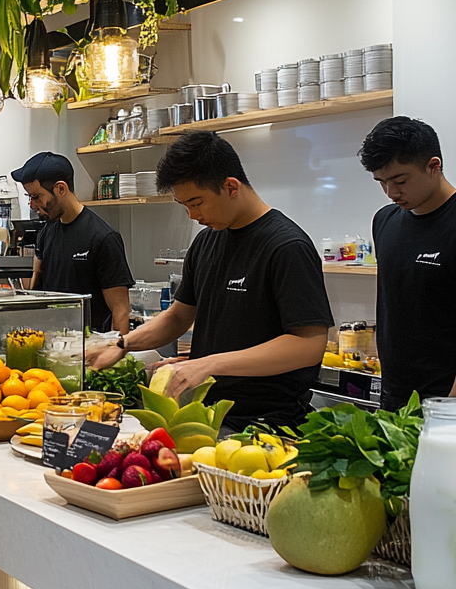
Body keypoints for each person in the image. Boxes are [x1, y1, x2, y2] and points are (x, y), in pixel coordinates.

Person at [91, 132, 334, 431]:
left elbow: (308, 345)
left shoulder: (286, 246)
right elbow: (179, 315)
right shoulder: (206, 242)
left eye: (197, 203)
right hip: (206, 415)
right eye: (185, 206)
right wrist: (122, 344)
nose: (193, 215)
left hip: (265, 424)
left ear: (231, 186)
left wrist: (208, 363)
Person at [358, 116, 456, 410]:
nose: (391, 193)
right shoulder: (384, 220)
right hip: (394, 398)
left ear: (433, 165)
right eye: (381, 182)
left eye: (400, 180)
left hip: (446, 401)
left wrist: (448, 410)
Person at [12, 152, 132, 334]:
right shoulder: (46, 232)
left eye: (36, 196)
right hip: (52, 343)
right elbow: (37, 288)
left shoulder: (103, 237)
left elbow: (121, 310)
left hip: (89, 348)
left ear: (61, 189)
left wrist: (113, 352)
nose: (32, 204)